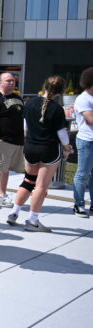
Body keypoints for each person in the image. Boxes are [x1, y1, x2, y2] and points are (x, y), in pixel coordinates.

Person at [7, 76, 73, 233]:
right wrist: (67, 147)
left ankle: (14, 213)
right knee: (41, 186)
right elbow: (61, 132)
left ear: (44, 86)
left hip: (30, 147)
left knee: (28, 180)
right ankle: (33, 220)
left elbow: (25, 127)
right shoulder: (57, 109)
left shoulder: (30, 103)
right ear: (61, 91)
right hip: (49, 149)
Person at [0, 72, 24, 209]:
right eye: (8, 81)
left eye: (13, 81)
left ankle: (1, 195)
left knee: (5, 169)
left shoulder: (18, 97)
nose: (12, 83)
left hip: (16, 140)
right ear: (0, 82)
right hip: (1, 140)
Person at [73, 67, 93, 217]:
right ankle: (79, 204)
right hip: (87, 141)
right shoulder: (83, 99)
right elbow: (90, 119)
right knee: (83, 174)